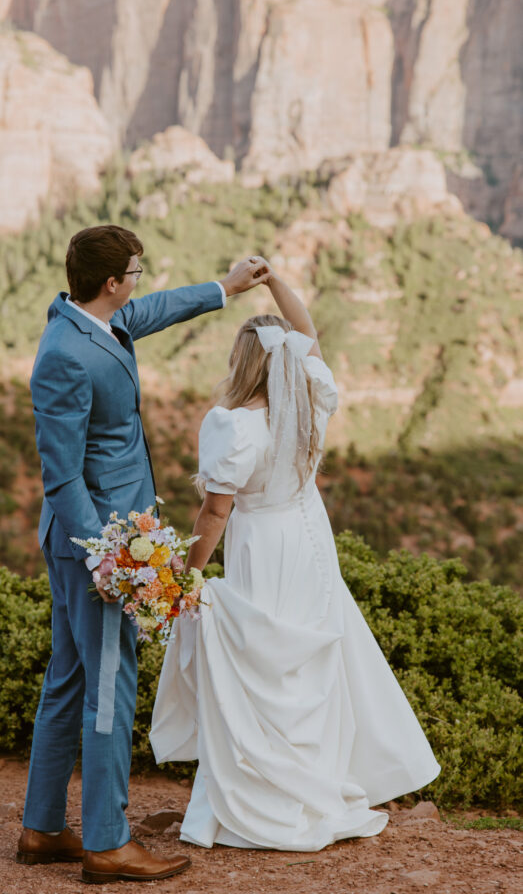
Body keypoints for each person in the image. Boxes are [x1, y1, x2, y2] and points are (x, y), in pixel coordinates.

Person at [150, 266, 440, 852]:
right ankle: (313, 786)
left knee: (263, 661)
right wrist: (275, 282)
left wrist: (187, 571)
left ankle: (258, 797)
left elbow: (214, 514)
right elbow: (309, 336)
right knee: (305, 662)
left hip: (261, 545)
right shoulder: (311, 399)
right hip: (309, 540)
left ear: (243, 365)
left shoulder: (232, 425)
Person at [17, 225, 270, 883]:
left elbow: (153, 311)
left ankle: (42, 829)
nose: (140, 278)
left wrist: (225, 286)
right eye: (136, 269)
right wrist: (106, 559)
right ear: (111, 281)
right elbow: (61, 475)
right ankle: (106, 843)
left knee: (70, 677)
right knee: (108, 683)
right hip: (98, 545)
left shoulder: (96, 320)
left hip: (99, 543)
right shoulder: (64, 356)